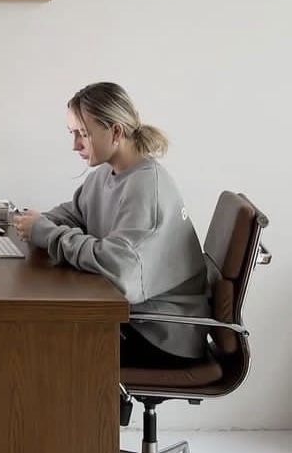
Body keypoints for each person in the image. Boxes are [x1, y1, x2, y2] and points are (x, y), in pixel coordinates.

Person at [12, 81, 210, 368]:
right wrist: (35, 223)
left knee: (40, 348)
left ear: (115, 132)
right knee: (36, 337)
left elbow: (120, 271)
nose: (75, 145)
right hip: (137, 317)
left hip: (162, 332)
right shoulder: (107, 173)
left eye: (83, 134)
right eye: (72, 134)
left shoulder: (147, 188)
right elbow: (75, 214)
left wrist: (47, 234)